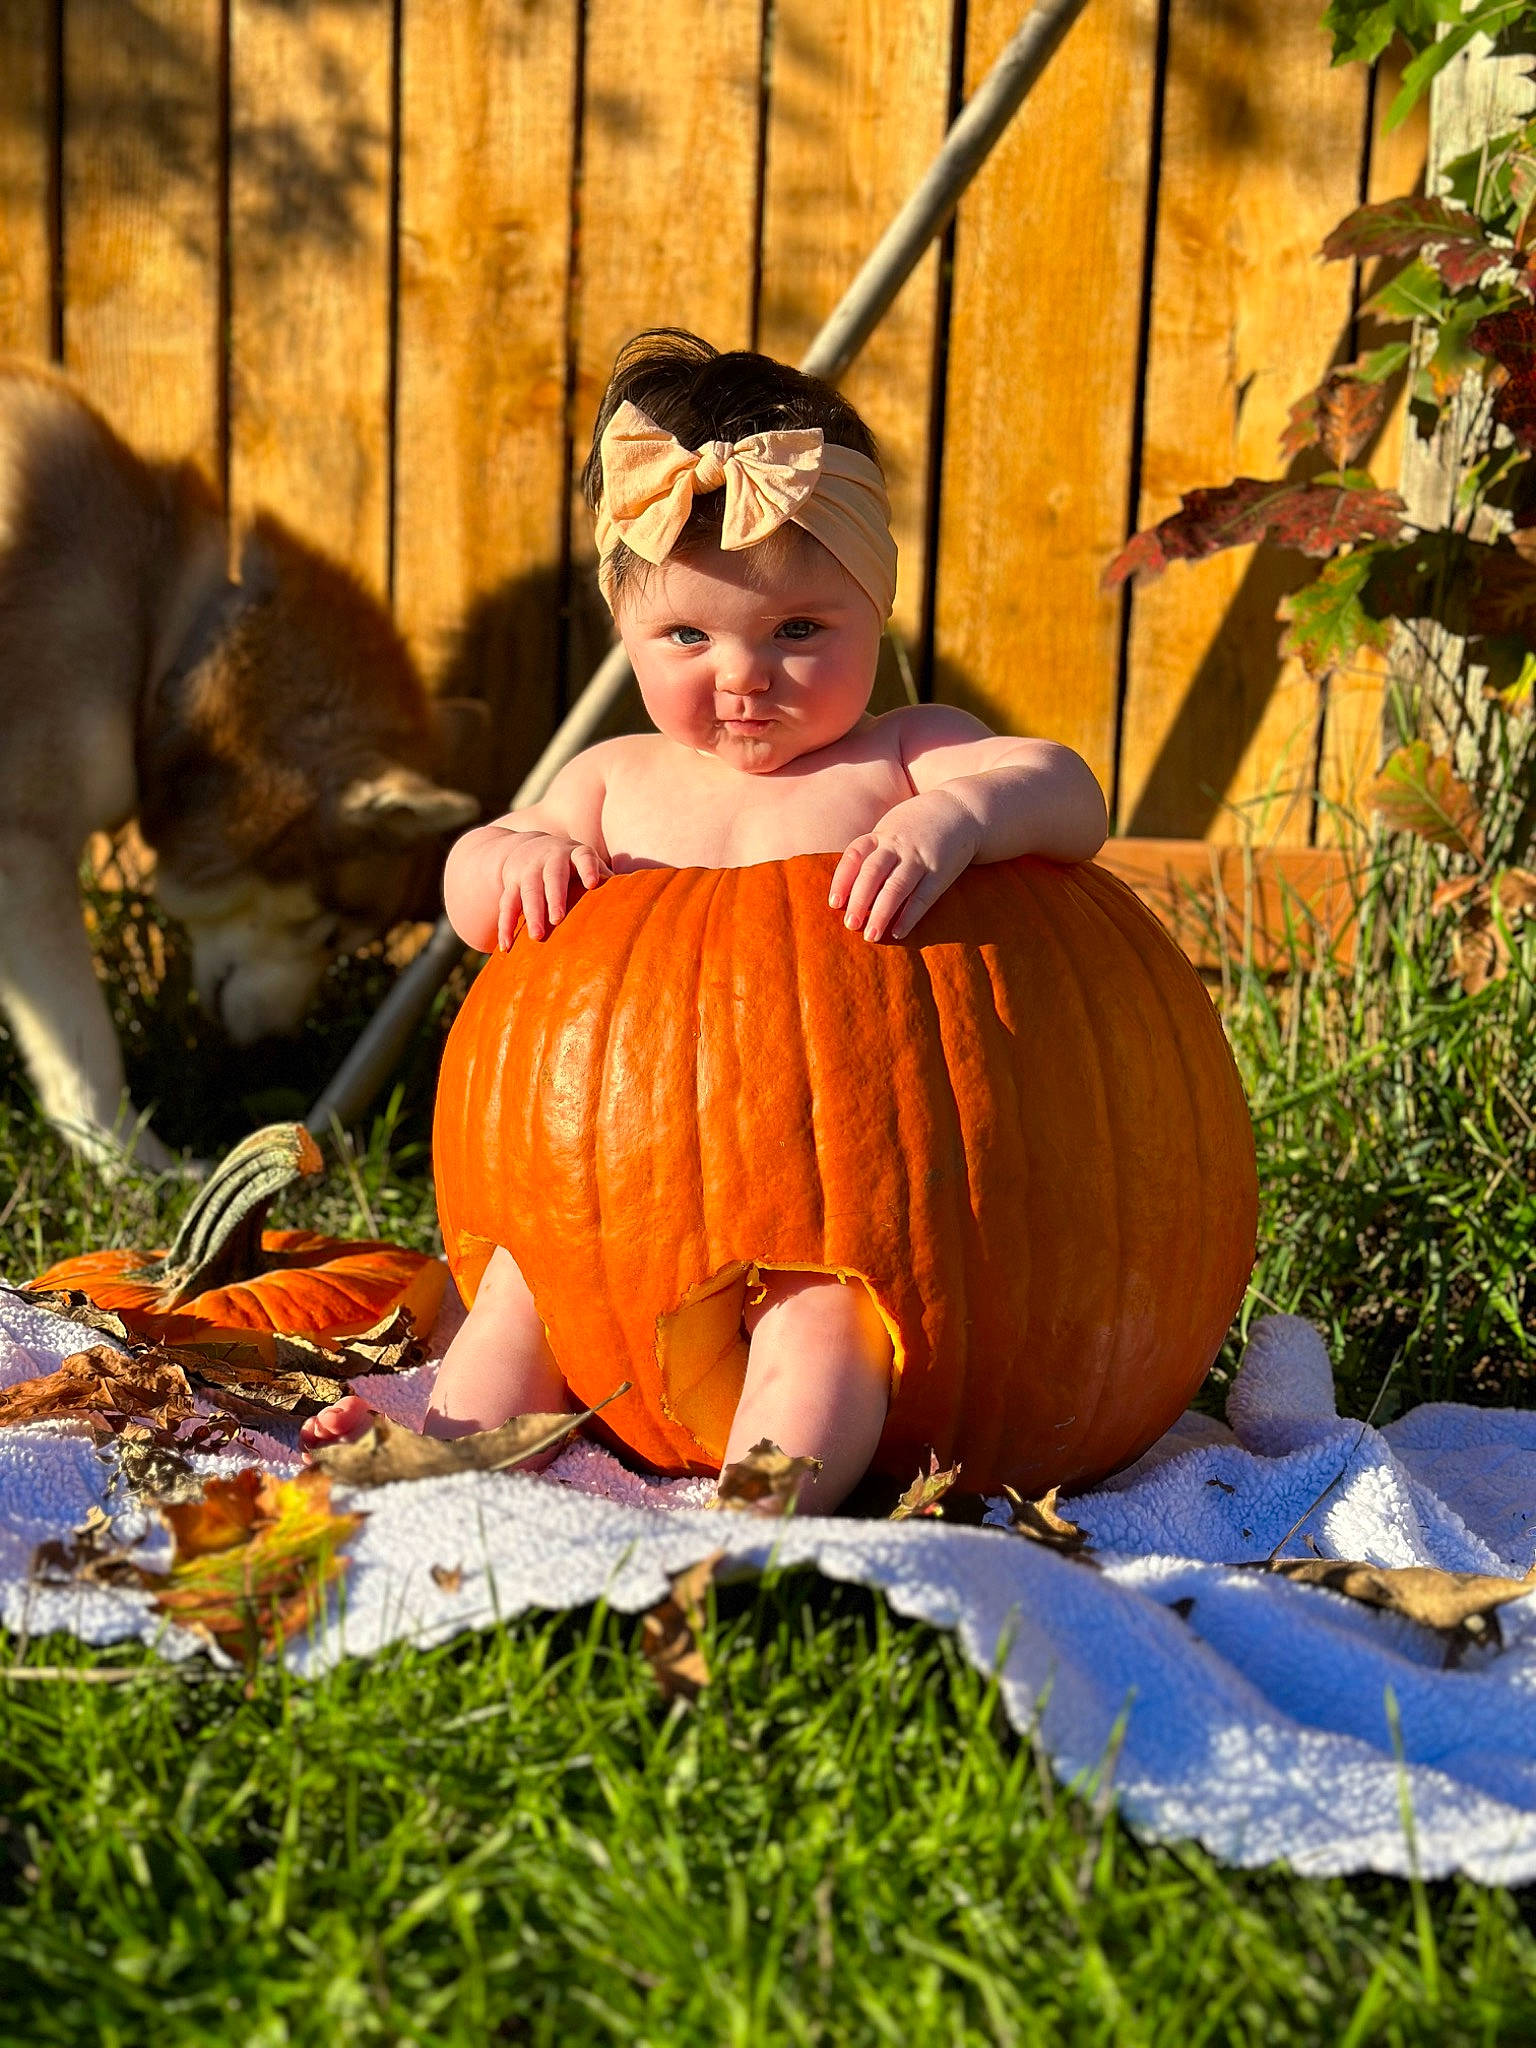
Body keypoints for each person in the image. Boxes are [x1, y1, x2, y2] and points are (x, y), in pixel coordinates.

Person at [302, 329, 1108, 1509]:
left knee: (827, 1333)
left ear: (874, 614)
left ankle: (764, 1509)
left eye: (798, 632)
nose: (743, 675)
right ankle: (447, 1449)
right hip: (613, 1186)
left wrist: (963, 818)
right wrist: (516, 859)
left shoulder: (904, 752)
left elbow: (1071, 793)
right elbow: (471, 886)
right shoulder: (614, 779)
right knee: (527, 1297)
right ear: (627, 628)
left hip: (847, 1205)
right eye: (687, 635)